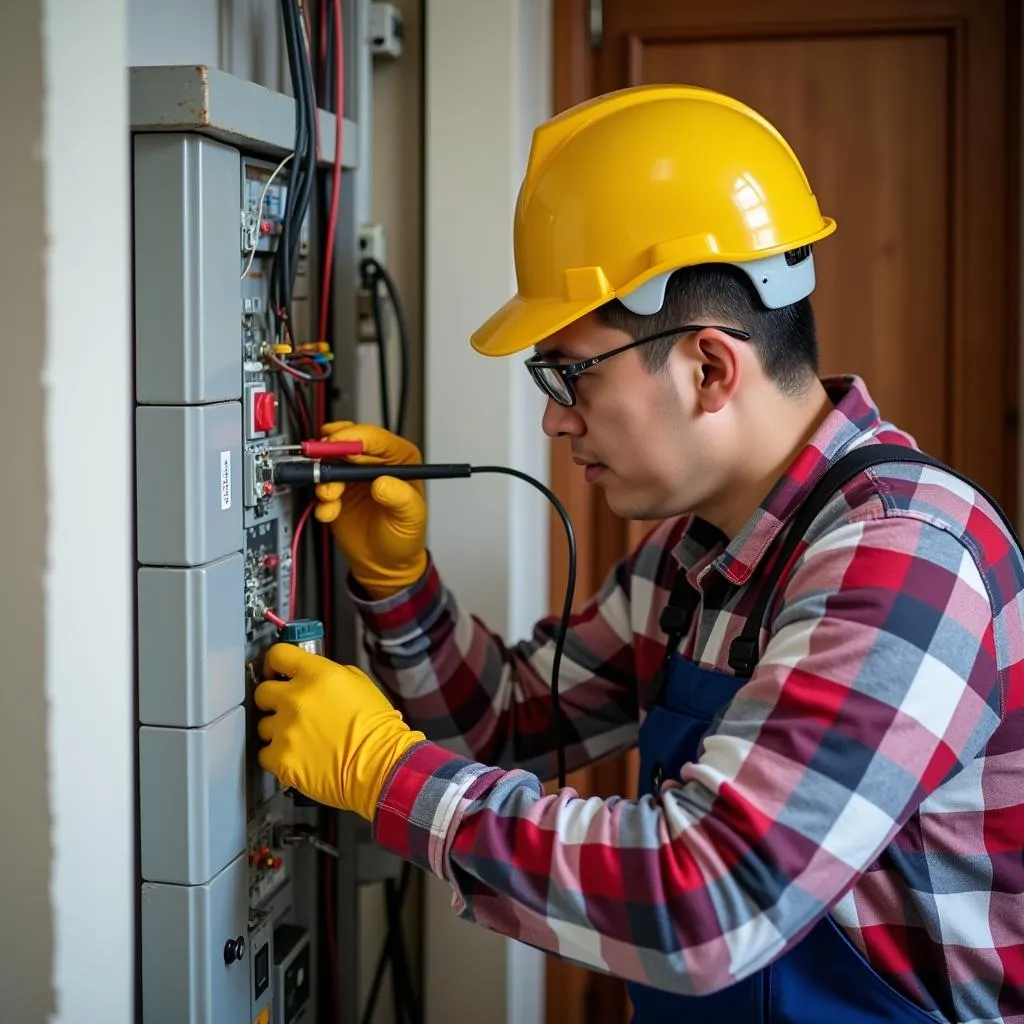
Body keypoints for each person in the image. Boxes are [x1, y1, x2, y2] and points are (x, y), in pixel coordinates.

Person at [254, 84, 1024, 1023]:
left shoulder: (907, 562)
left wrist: (383, 774)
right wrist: (398, 583)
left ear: (708, 366)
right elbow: (505, 725)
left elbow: (703, 903)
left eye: (570, 372)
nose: (551, 416)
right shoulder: (693, 559)